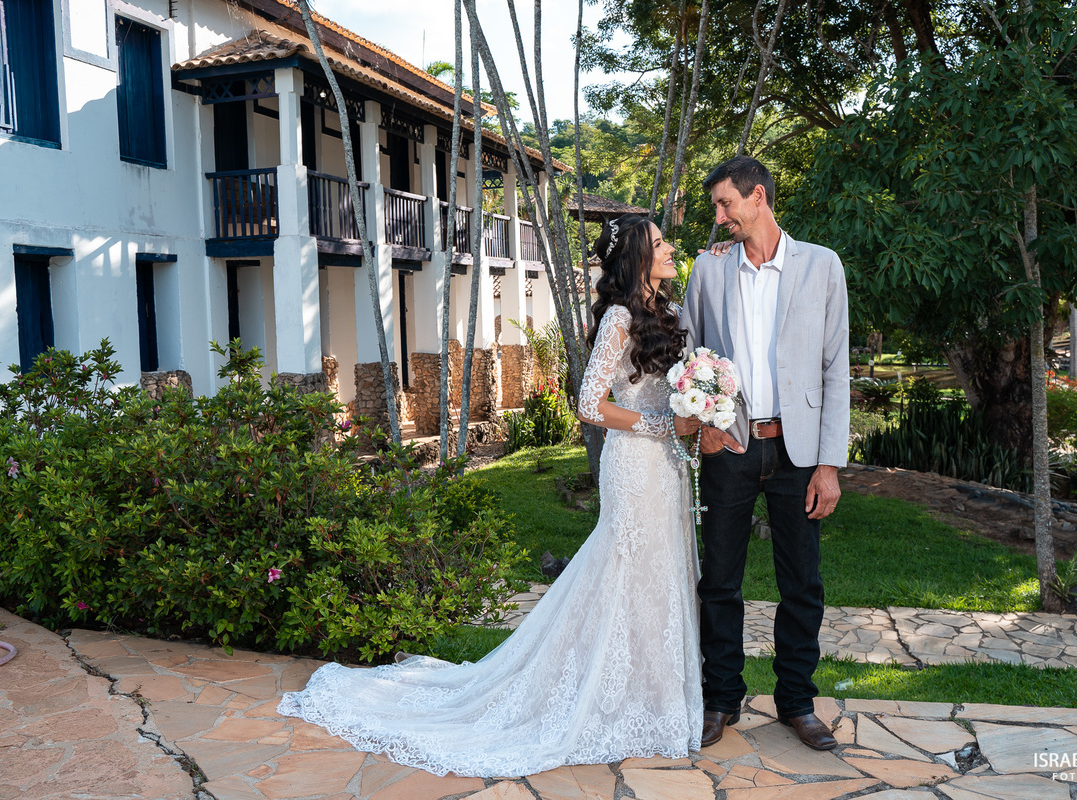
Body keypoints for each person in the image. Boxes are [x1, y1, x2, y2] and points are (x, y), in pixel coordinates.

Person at [278, 214, 705, 777]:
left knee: (662, 571)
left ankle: (653, 699)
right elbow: (587, 404)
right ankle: (606, 698)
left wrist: (697, 403)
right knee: (627, 570)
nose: (670, 247)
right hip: (636, 462)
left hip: (667, 468)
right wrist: (661, 425)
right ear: (635, 259)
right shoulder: (621, 320)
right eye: (658, 242)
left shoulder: (664, 314)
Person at [682, 156, 849, 751]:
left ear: (758, 197)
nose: (720, 218)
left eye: (726, 205)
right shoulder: (708, 269)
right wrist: (703, 423)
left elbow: (835, 369)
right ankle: (720, 698)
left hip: (799, 451)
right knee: (719, 581)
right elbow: (691, 351)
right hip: (730, 445)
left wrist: (828, 464)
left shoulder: (823, 266)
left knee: (802, 582)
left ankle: (796, 702)